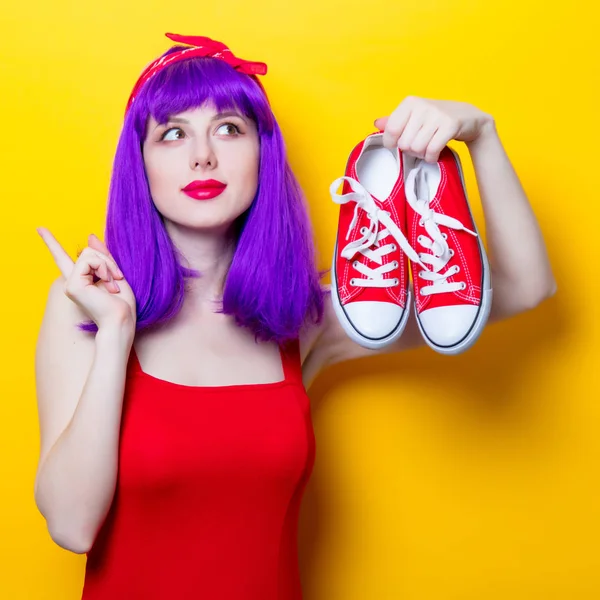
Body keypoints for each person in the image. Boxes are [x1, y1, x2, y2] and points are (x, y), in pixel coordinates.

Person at [33, 33, 556, 599]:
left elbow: (526, 287)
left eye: (230, 128)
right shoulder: (84, 312)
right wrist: (115, 334)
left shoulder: (300, 319)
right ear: (140, 165)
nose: (202, 155)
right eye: (173, 133)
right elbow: (70, 525)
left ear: (264, 151)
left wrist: (482, 135)